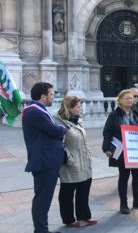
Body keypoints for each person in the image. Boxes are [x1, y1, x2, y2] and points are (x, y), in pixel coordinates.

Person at [22, 82, 67, 233]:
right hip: (44, 161)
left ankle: (42, 229)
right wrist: (62, 128)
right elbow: (54, 130)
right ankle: (40, 230)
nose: (53, 97)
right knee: (42, 199)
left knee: (44, 198)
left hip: (48, 160)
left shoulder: (39, 110)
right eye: (52, 94)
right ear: (43, 96)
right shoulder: (34, 112)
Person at [102, 89, 138, 214]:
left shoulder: (137, 113)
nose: (130, 100)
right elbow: (107, 132)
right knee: (124, 177)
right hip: (122, 151)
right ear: (120, 101)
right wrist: (106, 148)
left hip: (136, 150)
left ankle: (137, 200)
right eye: (127, 98)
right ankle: (124, 203)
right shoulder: (114, 115)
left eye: (132, 98)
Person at [55, 96, 96, 228]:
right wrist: (69, 158)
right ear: (69, 108)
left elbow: (83, 141)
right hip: (70, 163)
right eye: (78, 107)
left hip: (84, 160)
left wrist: (88, 153)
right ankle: (68, 219)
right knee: (67, 191)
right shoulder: (59, 123)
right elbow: (58, 144)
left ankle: (84, 217)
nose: (80, 109)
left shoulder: (77, 120)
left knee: (84, 188)